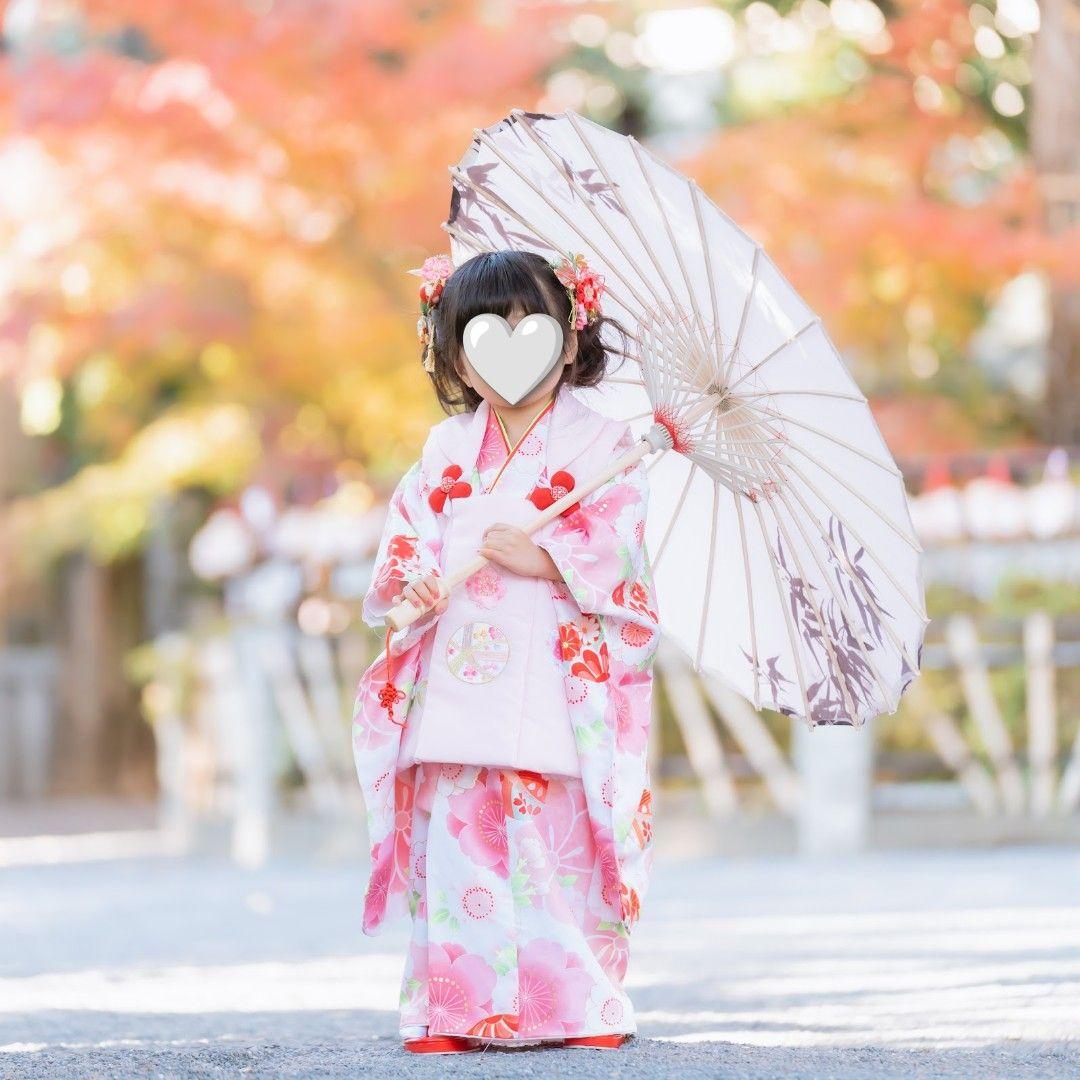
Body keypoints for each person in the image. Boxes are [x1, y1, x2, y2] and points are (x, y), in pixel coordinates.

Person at [351, 249, 659, 1054]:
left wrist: (548, 559)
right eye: (484, 335)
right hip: (459, 668)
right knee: (461, 838)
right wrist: (417, 584)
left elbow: (622, 549)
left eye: (533, 328)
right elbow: (408, 539)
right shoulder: (445, 449)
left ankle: (581, 1007)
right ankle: (454, 1007)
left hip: (556, 672)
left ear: (570, 338)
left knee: (552, 842)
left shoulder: (606, 446)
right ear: (454, 356)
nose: (511, 350)